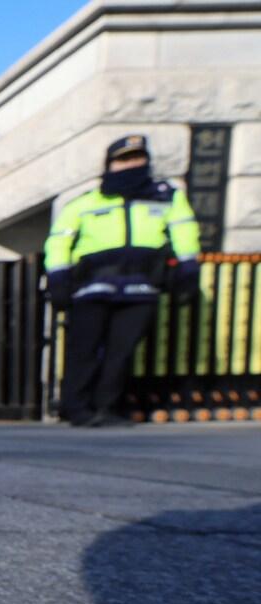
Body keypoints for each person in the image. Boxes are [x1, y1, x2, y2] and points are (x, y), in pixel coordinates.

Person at [44, 134, 200, 427]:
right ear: (110, 164)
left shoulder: (166, 198)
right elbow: (59, 241)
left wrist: (189, 269)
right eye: (123, 159)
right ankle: (76, 407)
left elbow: (184, 234)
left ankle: (108, 408)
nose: (131, 164)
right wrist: (59, 278)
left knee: (122, 352)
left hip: (141, 286)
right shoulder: (85, 203)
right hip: (91, 287)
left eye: (136, 158)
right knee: (84, 350)